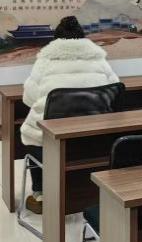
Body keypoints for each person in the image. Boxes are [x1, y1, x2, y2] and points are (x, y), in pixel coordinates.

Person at [20, 16, 119, 214]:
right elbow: (115, 89)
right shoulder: (99, 59)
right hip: (93, 139)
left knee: (32, 137)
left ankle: (41, 194)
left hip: (51, 143)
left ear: (56, 39)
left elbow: (29, 98)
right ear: (82, 37)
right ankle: (87, 191)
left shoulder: (45, 61)